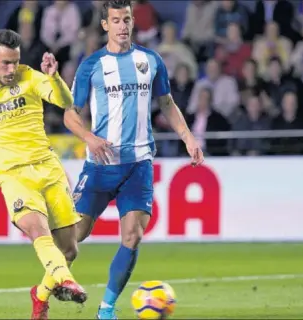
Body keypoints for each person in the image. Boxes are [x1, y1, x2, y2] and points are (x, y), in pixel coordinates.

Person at [62, 1, 204, 319]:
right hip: (100, 165)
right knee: (74, 237)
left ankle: (107, 308)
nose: (123, 25)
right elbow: (70, 115)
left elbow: (166, 102)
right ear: (105, 25)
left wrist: (188, 137)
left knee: (133, 236)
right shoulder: (91, 65)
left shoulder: (150, 60)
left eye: (126, 19)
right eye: (116, 20)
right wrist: (90, 138)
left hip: (139, 164)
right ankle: (45, 291)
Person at [0, 29, 87, 320]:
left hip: (48, 169)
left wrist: (54, 77)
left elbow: (64, 101)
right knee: (37, 229)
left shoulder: (32, 77)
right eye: (5, 64)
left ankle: (40, 295)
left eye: (15, 62)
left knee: (69, 250)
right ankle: (65, 280)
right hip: (13, 175)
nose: (12, 70)